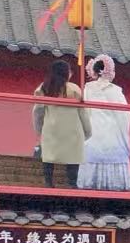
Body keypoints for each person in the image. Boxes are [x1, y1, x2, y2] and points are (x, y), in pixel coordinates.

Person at [77, 54, 130, 191]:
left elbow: (84, 110)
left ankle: (90, 182)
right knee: (112, 153)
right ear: (107, 70)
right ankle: (114, 184)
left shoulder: (87, 89)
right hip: (112, 129)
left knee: (92, 152)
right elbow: (124, 113)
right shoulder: (114, 90)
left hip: (93, 126)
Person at [31, 58, 89, 188]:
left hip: (51, 130)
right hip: (73, 131)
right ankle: (72, 184)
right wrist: (87, 131)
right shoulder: (75, 89)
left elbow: (38, 111)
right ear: (66, 73)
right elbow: (83, 113)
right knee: (73, 157)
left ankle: (48, 182)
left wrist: (39, 129)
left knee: (48, 156)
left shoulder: (44, 88)